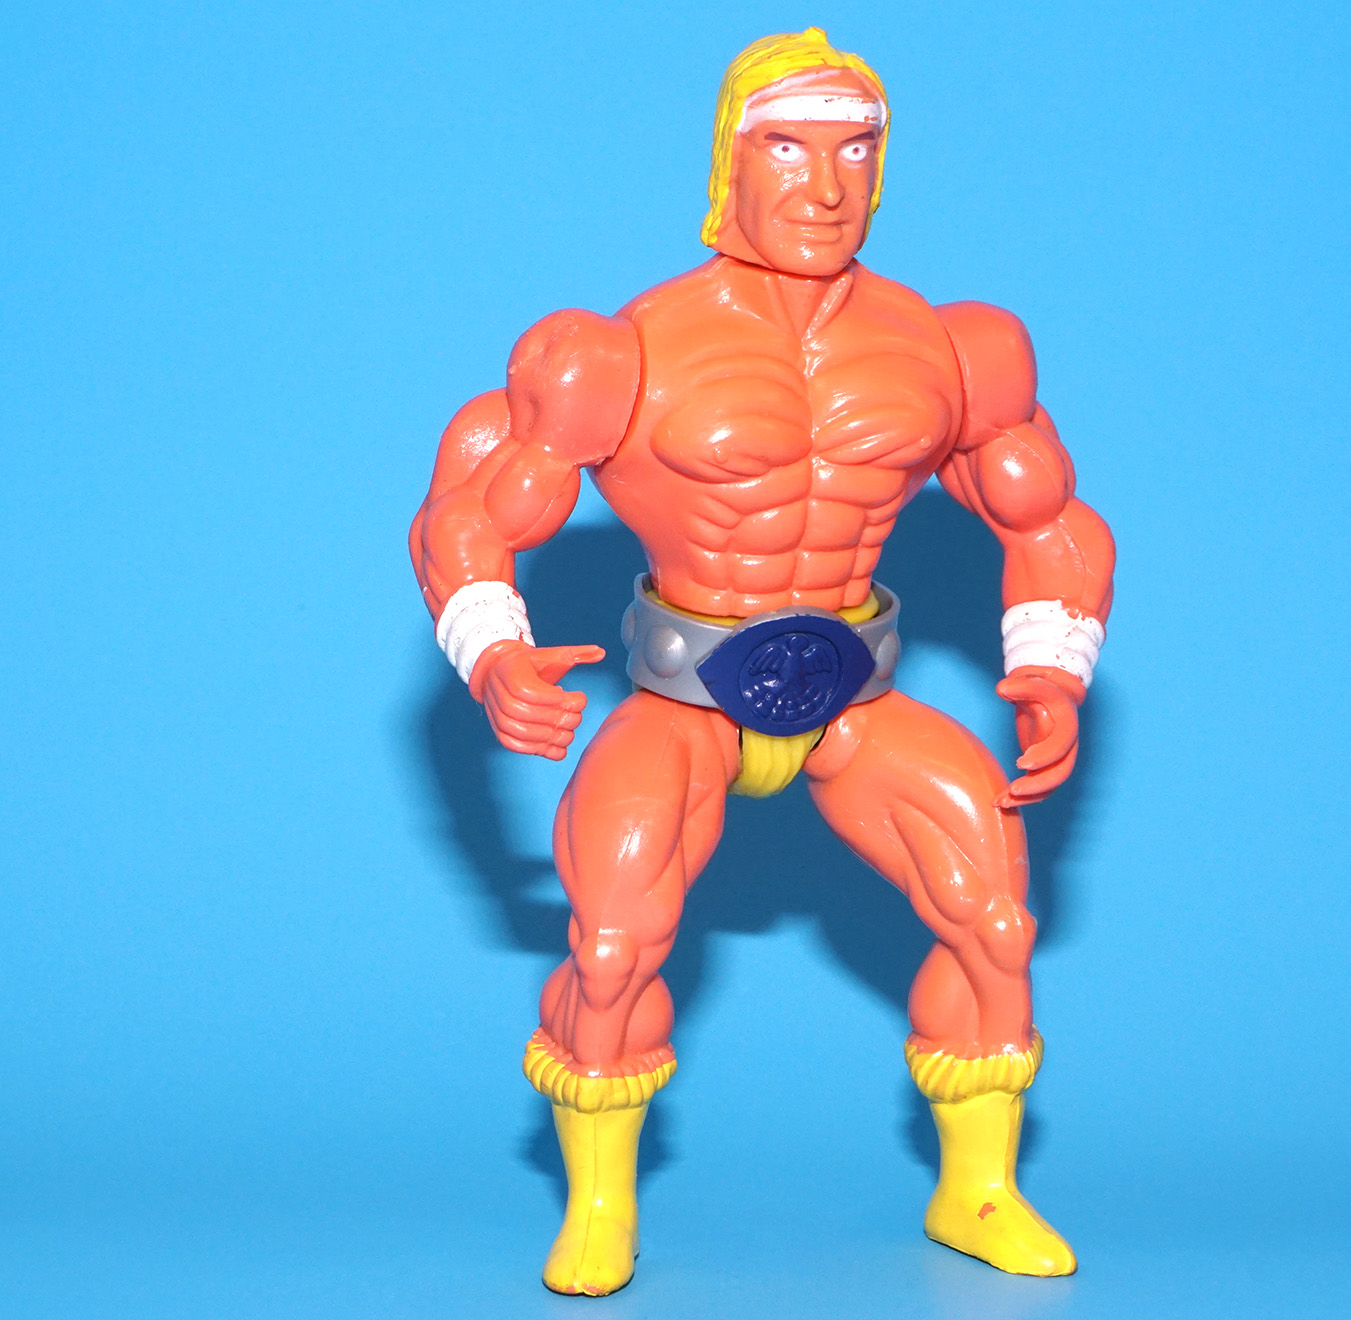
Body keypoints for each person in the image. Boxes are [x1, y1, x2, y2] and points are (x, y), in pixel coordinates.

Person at [411, 27, 1115, 1296]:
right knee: (613, 945)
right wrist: (492, 652)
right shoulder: (617, 353)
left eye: (856, 150)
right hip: (685, 697)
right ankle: (600, 1206)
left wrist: (1052, 664)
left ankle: (979, 1188)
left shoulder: (953, 349)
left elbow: (1048, 521)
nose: (825, 185)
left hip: (858, 694)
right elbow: (467, 509)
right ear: (728, 162)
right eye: (787, 147)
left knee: (998, 922)